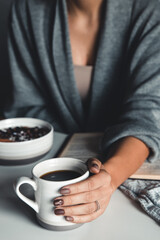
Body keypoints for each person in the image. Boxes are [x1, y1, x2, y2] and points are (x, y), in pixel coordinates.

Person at [3, 0, 160, 223]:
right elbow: (26, 105)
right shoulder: (27, 8)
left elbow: (147, 111)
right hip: (46, 171)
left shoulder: (151, 10)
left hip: (125, 174)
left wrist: (108, 178)